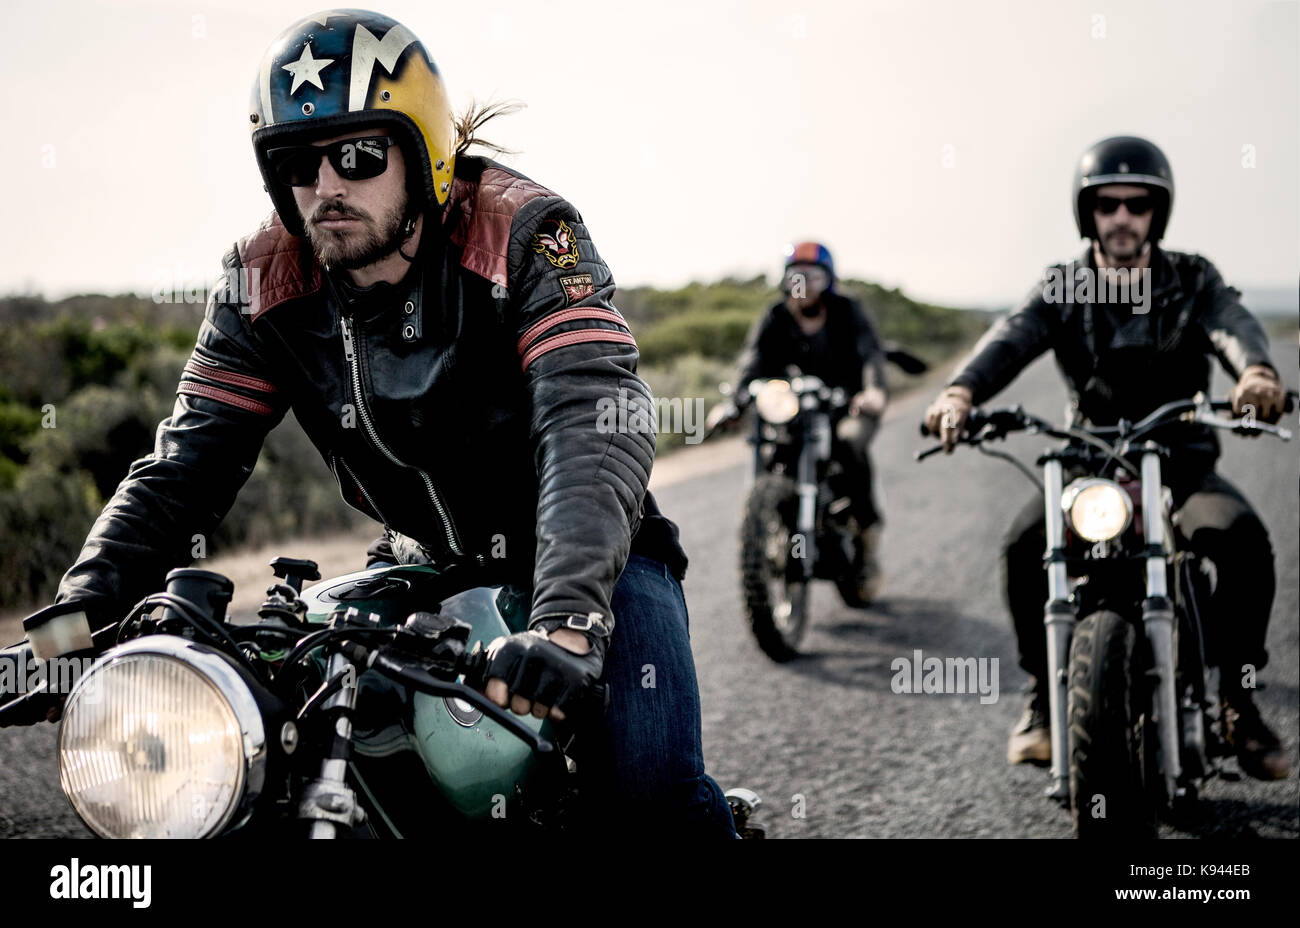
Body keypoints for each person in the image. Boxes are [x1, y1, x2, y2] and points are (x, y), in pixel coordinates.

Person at [48, 10, 744, 835]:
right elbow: (184, 462)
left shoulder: (523, 231)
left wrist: (567, 621)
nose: (328, 186)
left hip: (595, 563)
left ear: (424, 153)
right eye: (298, 163)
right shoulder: (262, 279)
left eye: (358, 155)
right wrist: (70, 624)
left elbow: (592, 416)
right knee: (285, 750)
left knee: (649, 793)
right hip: (417, 567)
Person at [923, 136, 1290, 780]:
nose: (1122, 217)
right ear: (1086, 212)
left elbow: (1232, 321)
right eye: (1108, 204)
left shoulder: (1191, 277)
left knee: (1240, 539)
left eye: (1138, 204)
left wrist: (1256, 373)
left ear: (1158, 213)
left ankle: (1237, 697)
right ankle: (1042, 697)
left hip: (1180, 457)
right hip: (1089, 462)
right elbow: (1013, 335)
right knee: (1022, 545)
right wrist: (960, 391)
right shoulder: (1064, 283)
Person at [708, 242, 889, 600]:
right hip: (792, 406)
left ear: (828, 281)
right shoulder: (776, 315)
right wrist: (733, 403)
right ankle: (774, 524)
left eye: (813, 275)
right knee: (778, 446)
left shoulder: (847, 310)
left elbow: (871, 354)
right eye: (796, 275)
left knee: (851, 442)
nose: (803, 282)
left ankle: (866, 536)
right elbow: (752, 361)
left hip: (846, 405)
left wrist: (873, 391)